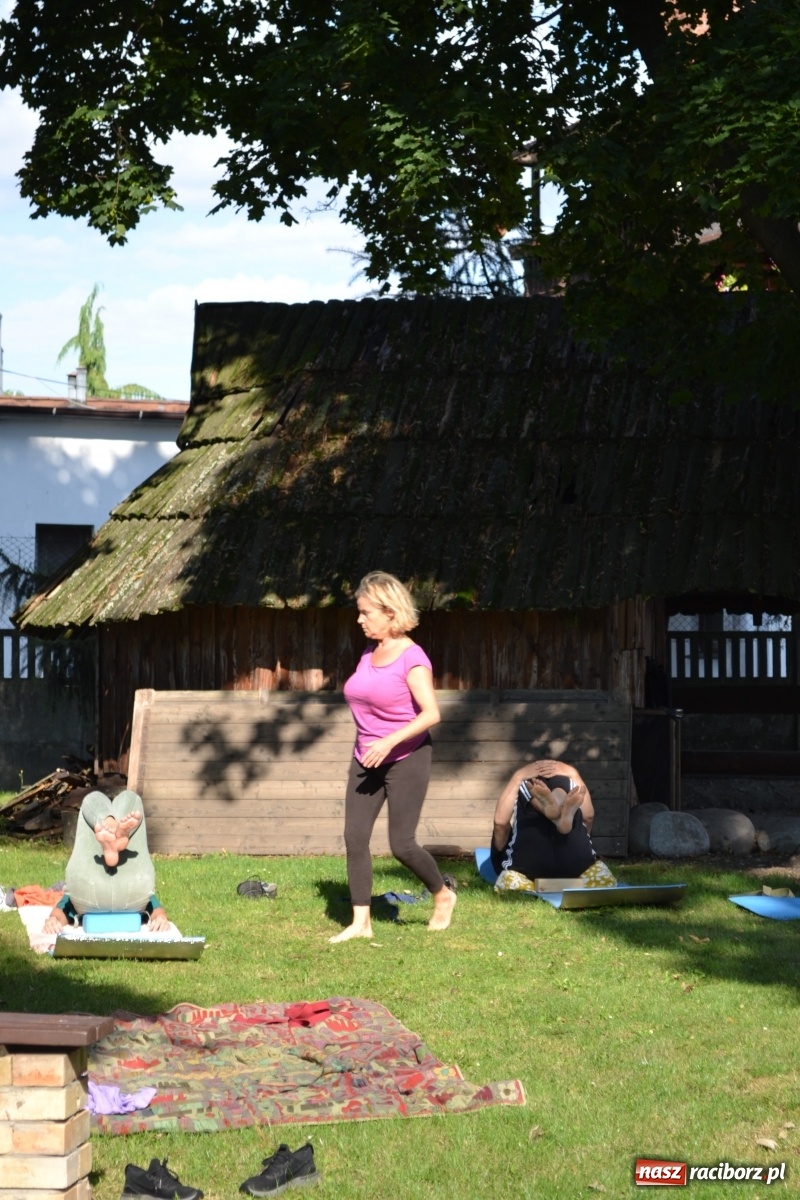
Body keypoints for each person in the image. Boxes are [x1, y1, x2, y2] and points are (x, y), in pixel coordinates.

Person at [330, 571, 456, 942]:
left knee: (401, 843)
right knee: (354, 837)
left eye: (366, 612)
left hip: (407, 758)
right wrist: (372, 743)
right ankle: (361, 923)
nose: (359, 619)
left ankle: (442, 894)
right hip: (366, 758)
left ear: (389, 612)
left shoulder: (412, 658)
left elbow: (431, 713)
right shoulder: (371, 651)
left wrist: (388, 742)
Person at [42, 789, 170, 934]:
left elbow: (65, 905)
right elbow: (153, 903)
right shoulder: (136, 880)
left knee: (92, 798)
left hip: (88, 890)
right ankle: (117, 832)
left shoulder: (87, 871)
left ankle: (109, 825)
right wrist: (160, 917)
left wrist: (53, 919)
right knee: (131, 798)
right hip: (133, 890)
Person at [490, 759, 616, 891]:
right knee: (604, 880)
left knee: (526, 787)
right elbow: (588, 817)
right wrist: (574, 774)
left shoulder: (524, 783)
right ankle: (558, 810)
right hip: (577, 867)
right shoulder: (571, 783)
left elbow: (500, 823)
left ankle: (551, 810)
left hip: (527, 869)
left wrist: (518, 776)